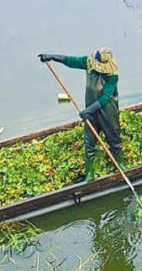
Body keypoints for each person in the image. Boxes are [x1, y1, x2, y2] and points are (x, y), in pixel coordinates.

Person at [39, 47, 122, 181]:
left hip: (107, 111)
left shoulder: (112, 76)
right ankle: (90, 173)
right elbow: (71, 61)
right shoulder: (88, 62)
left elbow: (106, 97)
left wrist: (87, 110)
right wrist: (52, 57)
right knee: (89, 141)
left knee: (114, 138)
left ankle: (120, 164)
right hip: (91, 110)